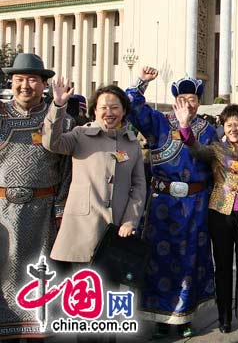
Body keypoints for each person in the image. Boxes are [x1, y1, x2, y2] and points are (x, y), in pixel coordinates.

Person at [126, 67, 217, 339]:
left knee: (190, 262)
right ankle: (159, 317)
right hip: (162, 207)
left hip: (195, 206)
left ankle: (184, 317)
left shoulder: (208, 129)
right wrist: (142, 82)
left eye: (193, 99)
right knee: (159, 261)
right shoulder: (159, 122)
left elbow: (211, 160)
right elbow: (131, 106)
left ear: (199, 102)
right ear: (175, 100)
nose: (187, 103)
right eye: (183, 98)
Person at [173, 102, 238, 334]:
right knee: (223, 267)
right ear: (223, 127)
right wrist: (184, 125)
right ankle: (224, 317)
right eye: (229, 125)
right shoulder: (216, 149)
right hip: (220, 213)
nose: (233, 128)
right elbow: (195, 148)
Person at [0, 53, 72, 340]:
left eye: (32, 79)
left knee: (39, 274)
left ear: (44, 83)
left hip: (42, 211)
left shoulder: (60, 119)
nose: (25, 85)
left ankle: (37, 331)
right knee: (3, 275)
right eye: (19, 79)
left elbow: (67, 170)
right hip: (3, 211)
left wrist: (59, 211)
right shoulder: (1, 116)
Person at [43, 79, 146, 262]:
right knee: (83, 287)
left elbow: (139, 187)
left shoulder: (132, 144)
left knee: (111, 287)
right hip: (83, 228)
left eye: (114, 107)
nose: (109, 112)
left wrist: (130, 220)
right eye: (103, 107)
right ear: (95, 111)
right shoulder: (80, 135)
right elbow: (52, 142)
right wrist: (58, 106)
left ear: (123, 111)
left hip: (117, 229)